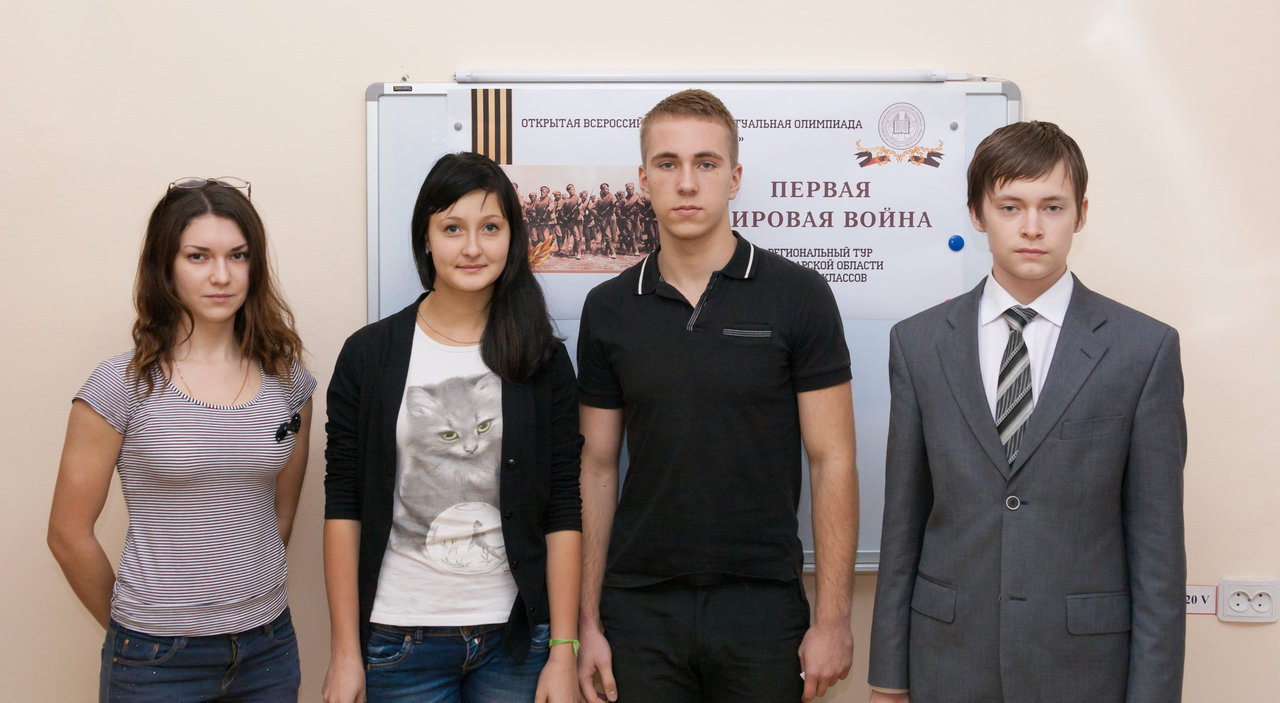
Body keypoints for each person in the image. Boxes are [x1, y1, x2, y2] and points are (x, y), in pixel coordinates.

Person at [867, 121, 1187, 702]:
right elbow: (903, 521)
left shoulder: (1143, 349)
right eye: (1010, 206)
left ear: (1081, 215)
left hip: (1084, 669)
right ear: (977, 214)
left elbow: (1158, 548)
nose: (1032, 227)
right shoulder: (918, 344)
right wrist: (888, 679)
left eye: (1052, 207)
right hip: (947, 662)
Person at [575, 89, 858, 703]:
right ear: (643, 179)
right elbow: (596, 467)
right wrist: (586, 623)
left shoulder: (799, 295)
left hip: (763, 605)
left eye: (705, 163)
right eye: (668, 163)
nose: (686, 182)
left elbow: (832, 459)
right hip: (639, 608)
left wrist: (833, 619)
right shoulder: (608, 308)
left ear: (734, 178)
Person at [322, 152, 582, 703]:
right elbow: (344, 504)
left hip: (518, 642)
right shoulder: (369, 355)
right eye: (452, 228)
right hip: (399, 639)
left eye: (490, 227)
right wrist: (345, 652)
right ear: (426, 238)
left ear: (512, 238)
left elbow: (562, 507)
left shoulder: (542, 359)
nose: (472, 248)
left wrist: (564, 649)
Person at [47, 177, 316, 701]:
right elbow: (67, 533)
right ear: (164, 267)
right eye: (198, 256)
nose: (221, 275)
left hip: (268, 648)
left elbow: (278, 517)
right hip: (155, 659)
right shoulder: (120, 384)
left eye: (238, 256)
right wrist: (135, 631)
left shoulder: (289, 382)